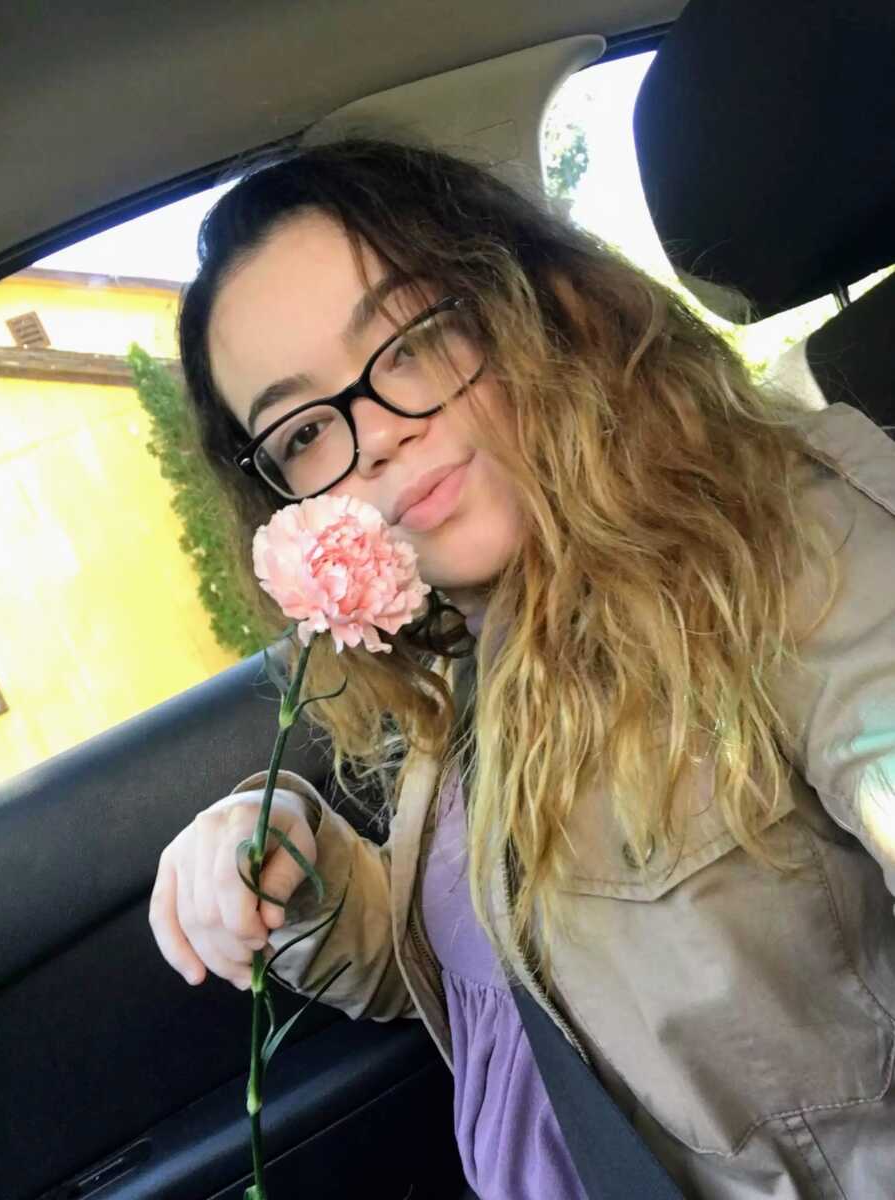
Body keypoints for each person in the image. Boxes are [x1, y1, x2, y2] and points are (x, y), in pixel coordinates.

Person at [149, 135, 895, 1199]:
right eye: (307, 429)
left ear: (526, 304)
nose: (374, 441)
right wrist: (297, 868)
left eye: (409, 342)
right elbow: (503, 975)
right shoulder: (460, 665)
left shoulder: (783, 548)